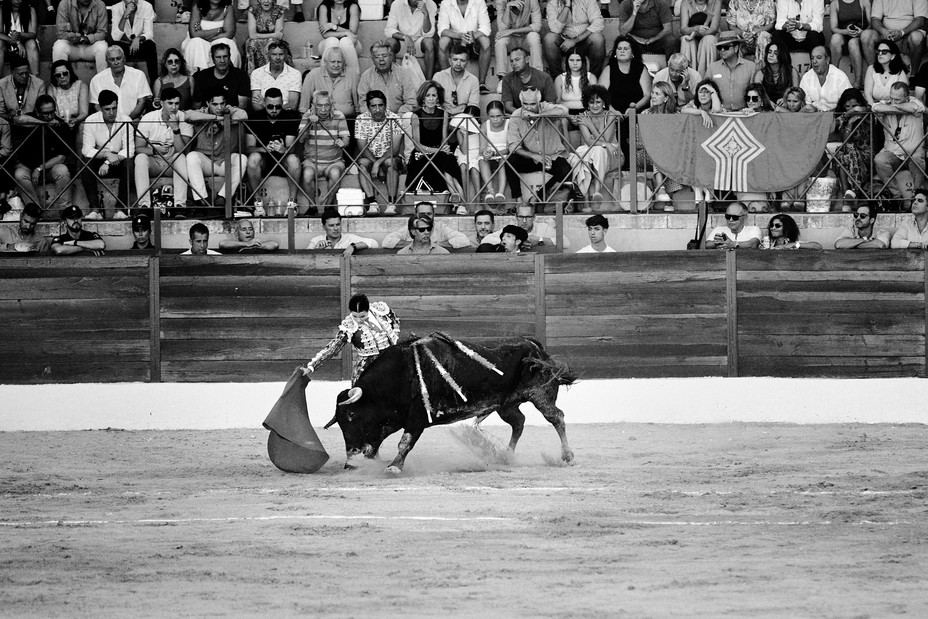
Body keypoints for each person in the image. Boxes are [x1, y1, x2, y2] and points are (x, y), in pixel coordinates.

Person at [301, 292, 400, 383]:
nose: (358, 320)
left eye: (362, 316)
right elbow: (332, 348)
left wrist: (395, 336)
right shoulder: (349, 326)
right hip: (367, 367)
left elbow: (394, 319)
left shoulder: (379, 310)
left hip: (390, 359)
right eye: (355, 316)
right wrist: (311, 367)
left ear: (368, 309)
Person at [505, 88, 575, 207]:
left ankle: (537, 197)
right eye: (525, 104)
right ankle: (519, 201)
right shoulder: (516, 115)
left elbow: (564, 110)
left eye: (532, 104)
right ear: (521, 103)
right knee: (510, 161)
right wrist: (534, 156)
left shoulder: (546, 107)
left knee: (566, 170)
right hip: (531, 157)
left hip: (552, 156)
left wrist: (538, 115)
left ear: (538, 102)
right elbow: (513, 146)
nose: (529, 107)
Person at [185, 90, 248, 211]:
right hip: (207, 162)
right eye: (215, 104)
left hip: (225, 162)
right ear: (208, 103)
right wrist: (216, 119)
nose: (219, 107)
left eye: (222, 103)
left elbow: (244, 115)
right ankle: (201, 199)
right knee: (192, 156)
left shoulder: (231, 110)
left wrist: (221, 123)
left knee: (242, 159)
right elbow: (188, 115)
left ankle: (223, 197)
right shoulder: (202, 112)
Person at [135, 86, 192, 217]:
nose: (174, 107)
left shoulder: (184, 118)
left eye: (177, 103)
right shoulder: (149, 118)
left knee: (181, 157)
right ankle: (144, 206)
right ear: (161, 103)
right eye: (170, 103)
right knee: (140, 158)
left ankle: (180, 206)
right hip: (155, 161)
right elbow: (138, 148)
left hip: (173, 161)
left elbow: (183, 150)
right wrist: (155, 151)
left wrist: (176, 129)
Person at [13, 95, 73, 218]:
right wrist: (44, 123)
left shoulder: (60, 125)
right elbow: (18, 120)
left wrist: (39, 168)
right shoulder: (31, 119)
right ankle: (35, 211)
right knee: (19, 174)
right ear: (37, 112)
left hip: (49, 168)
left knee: (63, 170)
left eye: (52, 112)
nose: (50, 116)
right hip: (28, 167)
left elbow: (61, 157)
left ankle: (65, 212)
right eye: (46, 113)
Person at [81, 89, 135, 220]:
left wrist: (109, 161)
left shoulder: (125, 120)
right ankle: (95, 210)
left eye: (114, 108)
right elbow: (87, 150)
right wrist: (106, 155)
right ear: (100, 108)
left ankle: (120, 209)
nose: (112, 113)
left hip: (118, 159)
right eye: (107, 109)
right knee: (86, 163)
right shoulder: (91, 120)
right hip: (100, 157)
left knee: (129, 164)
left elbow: (130, 149)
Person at [406, 81, 465, 199]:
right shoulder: (415, 116)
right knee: (444, 161)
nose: (431, 99)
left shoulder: (444, 114)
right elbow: (417, 145)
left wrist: (445, 147)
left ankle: (458, 197)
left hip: (439, 151)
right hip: (422, 154)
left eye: (434, 95)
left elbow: (444, 140)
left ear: (438, 97)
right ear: (422, 98)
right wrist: (437, 151)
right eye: (428, 96)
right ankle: (457, 197)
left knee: (449, 162)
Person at [244, 87, 300, 212]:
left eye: (278, 107)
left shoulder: (289, 117)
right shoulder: (255, 117)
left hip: (283, 160)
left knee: (293, 160)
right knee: (253, 158)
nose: (274, 110)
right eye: (270, 106)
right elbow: (248, 148)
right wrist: (264, 149)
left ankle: (292, 203)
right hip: (264, 160)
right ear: (264, 103)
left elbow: (292, 148)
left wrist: (283, 149)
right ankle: (257, 202)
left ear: (282, 104)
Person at [873, 81, 926, 202]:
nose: (893, 101)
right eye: (891, 98)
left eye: (897, 99)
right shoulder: (887, 103)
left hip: (913, 153)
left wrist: (891, 108)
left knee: (917, 158)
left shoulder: (915, 102)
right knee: (879, 159)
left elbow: (914, 107)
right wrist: (897, 107)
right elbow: (875, 107)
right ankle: (896, 196)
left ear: (907, 98)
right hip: (893, 154)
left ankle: (917, 196)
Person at [299, 90, 350, 213]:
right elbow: (301, 139)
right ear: (313, 106)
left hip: (334, 161)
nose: (323, 109)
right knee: (307, 175)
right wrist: (309, 124)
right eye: (319, 105)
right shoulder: (307, 115)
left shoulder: (339, 115)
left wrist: (342, 142)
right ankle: (312, 207)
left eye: (326, 105)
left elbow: (346, 139)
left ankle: (328, 207)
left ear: (331, 105)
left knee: (335, 174)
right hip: (312, 161)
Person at [571, 85, 623, 205]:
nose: (595, 105)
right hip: (592, 153)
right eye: (591, 102)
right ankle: (585, 193)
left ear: (604, 102)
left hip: (613, 154)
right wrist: (605, 144)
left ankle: (596, 190)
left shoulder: (610, 116)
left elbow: (605, 138)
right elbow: (589, 141)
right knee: (582, 151)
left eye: (598, 102)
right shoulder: (583, 116)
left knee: (598, 150)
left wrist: (590, 125)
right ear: (587, 103)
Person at [355, 89, 403, 214]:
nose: (377, 109)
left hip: (390, 156)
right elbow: (362, 148)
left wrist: (378, 163)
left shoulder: (394, 118)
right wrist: (375, 162)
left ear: (385, 105)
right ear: (368, 107)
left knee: (390, 163)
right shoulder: (361, 119)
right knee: (362, 164)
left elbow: (395, 148)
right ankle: (372, 203)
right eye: (373, 106)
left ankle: (391, 204)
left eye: (380, 105)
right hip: (369, 156)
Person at [634, 82, 679, 205]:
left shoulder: (675, 116)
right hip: (644, 154)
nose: (653, 96)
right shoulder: (645, 114)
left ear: (666, 98)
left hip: (668, 155)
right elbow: (639, 142)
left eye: (657, 94)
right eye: (652, 93)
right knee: (658, 150)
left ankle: (666, 199)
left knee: (665, 153)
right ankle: (660, 189)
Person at [437, 0, 493, 93]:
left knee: (486, 41)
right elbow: (442, 30)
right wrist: (459, 36)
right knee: (443, 42)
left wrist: (472, 36)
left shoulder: (479, 2)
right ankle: (447, 82)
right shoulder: (445, 2)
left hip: (474, 40)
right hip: (455, 40)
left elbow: (486, 28)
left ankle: (482, 83)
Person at [830, 87, 873, 202]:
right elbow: (845, 140)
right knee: (842, 155)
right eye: (847, 106)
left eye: (853, 106)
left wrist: (850, 113)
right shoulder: (843, 119)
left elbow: (860, 109)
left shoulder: (866, 113)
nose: (850, 109)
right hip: (850, 155)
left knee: (848, 151)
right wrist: (849, 123)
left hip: (867, 154)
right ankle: (848, 193)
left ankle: (853, 190)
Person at [862, 0, 925, 76]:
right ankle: (875, 73)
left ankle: (914, 75)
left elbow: (920, 20)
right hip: (886, 35)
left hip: (907, 36)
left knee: (917, 37)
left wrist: (902, 32)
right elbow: (875, 19)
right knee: (866, 35)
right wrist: (883, 31)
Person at [545, 0, 607, 77]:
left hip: (585, 41)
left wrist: (575, 40)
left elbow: (598, 23)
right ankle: (557, 79)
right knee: (549, 38)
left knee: (597, 38)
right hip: (564, 42)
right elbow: (555, 29)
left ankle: (594, 78)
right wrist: (567, 6)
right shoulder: (553, 3)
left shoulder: (588, 1)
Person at [89, 45, 152, 120]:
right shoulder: (97, 80)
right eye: (112, 59)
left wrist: (128, 120)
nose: (116, 62)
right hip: (107, 123)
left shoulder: (138, 75)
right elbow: (97, 105)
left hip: (133, 120)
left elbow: (142, 101)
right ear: (107, 61)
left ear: (124, 58)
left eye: (118, 58)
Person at [357, 41, 418, 114]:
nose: (381, 59)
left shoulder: (403, 73)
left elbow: (411, 101)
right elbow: (362, 103)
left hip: (399, 117)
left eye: (384, 55)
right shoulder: (366, 76)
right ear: (372, 59)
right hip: (375, 118)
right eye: (377, 57)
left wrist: (398, 116)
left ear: (391, 56)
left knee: (410, 116)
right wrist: (375, 116)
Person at [299, 46, 359, 119]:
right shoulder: (312, 75)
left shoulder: (352, 75)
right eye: (333, 62)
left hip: (347, 120)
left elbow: (358, 106)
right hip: (319, 122)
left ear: (344, 62)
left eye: (339, 62)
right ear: (325, 61)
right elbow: (303, 108)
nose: (336, 65)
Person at [382, 200, 471, 247]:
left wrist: (435, 245)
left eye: (429, 214)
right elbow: (387, 242)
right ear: (416, 215)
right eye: (422, 214)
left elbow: (464, 240)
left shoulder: (441, 227)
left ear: (434, 215)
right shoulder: (410, 227)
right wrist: (416, 245)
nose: (426, 217)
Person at [385, 0, 438, 79]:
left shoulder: (430, 4)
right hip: (402, 41)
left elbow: (428, 34)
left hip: (419, 41)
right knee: (390, 42)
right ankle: (392, 80)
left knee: (429, 42)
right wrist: (405, 37)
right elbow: (389, 30)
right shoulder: (397, 3)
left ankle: (428, 82)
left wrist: (426, 14)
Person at [494, 0, 543, 84]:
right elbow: (502, 29)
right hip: (511, 40)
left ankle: (537, 76)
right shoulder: (501, 1)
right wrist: (508, 8)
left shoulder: (532, 1)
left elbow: (537, 26)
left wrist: (513, 31)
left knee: (534, 36)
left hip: (525, 38)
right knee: (500, 41)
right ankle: (502, 79)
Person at [705, 31, 756, 112]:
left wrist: (751, 109)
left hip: (744, 114)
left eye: (726, 47)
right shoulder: (712, 67)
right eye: (719, 47)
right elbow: (705, 91)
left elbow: (756, 93)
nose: (722, 50)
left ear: (736, 48)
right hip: (719, 114)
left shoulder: (751, 67)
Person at [52, 0, 109, 73]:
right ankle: (61, 80)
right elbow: (60, 33)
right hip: (72, 46)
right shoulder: (65, 3)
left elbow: (103, 33)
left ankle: (103, 81)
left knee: (102, 47)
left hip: (91, 46)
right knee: (59, 46)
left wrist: (85, 38)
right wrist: (74, 36)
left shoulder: (100, 4)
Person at [183, 0, 239, 72]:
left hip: (219, 39)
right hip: (201, 41)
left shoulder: (228, 8)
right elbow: (193, 34)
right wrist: (219, 30)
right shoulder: (198, 7)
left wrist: (203, 34)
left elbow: (229, 34)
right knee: (196, 42)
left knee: (227, 42)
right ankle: (198, 76)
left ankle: (228, 77)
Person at [192, 43, 250, 110]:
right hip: (208, 117)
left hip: (234, 116)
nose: (222, 61)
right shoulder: (203, 76)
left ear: (229, 57)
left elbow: (242, 106)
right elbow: (196, 106)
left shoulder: (241, 75)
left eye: (225, 56)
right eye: (218, 57)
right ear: (213, 59)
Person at [110, 0, 157, 81]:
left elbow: (149, 33)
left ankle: (154, 81)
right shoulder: (116, 8)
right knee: (114, 47)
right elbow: (115, 37)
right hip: (124, 47)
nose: (132, 0)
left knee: (150, 45)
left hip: (140, 45)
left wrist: (138, 39)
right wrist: (125, 15)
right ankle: (117, 80)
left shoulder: (146, 6)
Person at [500, 46, 557, 113]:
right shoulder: (507, 79)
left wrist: (536, 116)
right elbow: (508, 107)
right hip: (518, 117)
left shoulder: (544, 77)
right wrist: (525, 115)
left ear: (527, 59)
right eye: (511, 61)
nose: (514, 63)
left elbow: (551, 104)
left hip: (541, 116)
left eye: (517, 59)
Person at [250, 41, 301, 112]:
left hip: (286, 117)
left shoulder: (295, 74)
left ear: (286, 56)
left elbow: (292, 105)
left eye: (281, 54)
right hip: (262, 117)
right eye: (274, 54)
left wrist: (266, 105)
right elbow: (255, 104)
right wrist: (276, 108)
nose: (277, 57)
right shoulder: (257, 73)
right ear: (268, 56)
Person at [830, 0, 870, 90]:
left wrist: (861, 32)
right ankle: (832, 78)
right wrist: (846, 31)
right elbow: (833, 28)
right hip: (843, 34)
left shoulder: (864, 1)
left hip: (860, 36)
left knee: (853, 43)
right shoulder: (835, 3)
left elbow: (871, 24)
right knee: (835, 39)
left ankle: (858, 82)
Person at [799, 45, 853, 111]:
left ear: (827, 60)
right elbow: (804, 103)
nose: (814, 61)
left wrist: (828, 114)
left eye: (819, 58)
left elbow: (847, 102)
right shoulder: (807, 77)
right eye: (812, 58)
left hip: (835, 116)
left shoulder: (840, 77)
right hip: (813, 116)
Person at [433, 44, 480, 116]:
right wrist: (462, 106)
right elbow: (435, 102)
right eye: (455, 60)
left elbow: (473, 105)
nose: (458, 64)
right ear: (449, 60)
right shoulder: (439, 77)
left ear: (467, 62)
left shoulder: (473, 80)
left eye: (462, 60)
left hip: (463, 117)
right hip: (442, 116)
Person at [317, 0, 362, 75]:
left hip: (352, 45)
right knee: (332, 41)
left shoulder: (353, 7)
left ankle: (354, 77)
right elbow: (325, 34)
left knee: (345, 41)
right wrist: (345, 32)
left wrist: (333, 26)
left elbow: (353, 33)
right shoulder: (324, 7)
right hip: (328, 44)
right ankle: (324, 77)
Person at [478, 100, 509, 204]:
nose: (495, 119)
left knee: (503, 160)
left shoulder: (509, 124)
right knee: (482, 160)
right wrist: (486, 153)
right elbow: (482, 147)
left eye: (498, 116)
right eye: (492, 116)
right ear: (488, 116)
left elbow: (512, 147)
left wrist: (497, 153)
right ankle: (490, 191)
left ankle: (500, 193)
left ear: (503, 114)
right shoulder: (485, 126)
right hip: (491, 153)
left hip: (504, 153)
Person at [307, 208, 378, 255]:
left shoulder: (349, 238)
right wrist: (317, 250)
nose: (336, 228)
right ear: (324, 227)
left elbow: (374, 243)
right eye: (331, 226)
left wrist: (352, 246)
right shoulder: (316, 241)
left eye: (338, 224)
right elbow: (306, 259)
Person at [679, 0, 721, 75]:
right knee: (686, 40)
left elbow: (714, 28)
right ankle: (689, 78)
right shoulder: (686, 3)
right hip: (691, 34)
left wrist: (696, 33)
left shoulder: (716, 2)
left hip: (709, 34)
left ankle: (707, 77)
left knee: (709, 39)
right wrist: (695, 29)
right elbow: (683, 29)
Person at [244, 0, 286, 74]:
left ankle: (271, 73)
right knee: (252, 44)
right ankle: (253, 75)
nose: (266, 1)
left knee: (272, 43)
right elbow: (252, 35)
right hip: (255, 40)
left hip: (272, 40)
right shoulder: (252, 10)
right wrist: (273, 35)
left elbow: (278, 36)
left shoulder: (280, 10)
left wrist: (274, 36)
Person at [45, 60, 89, 131]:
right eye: (58, 75)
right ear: (54, 77)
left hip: (77, 121)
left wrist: (75, 120)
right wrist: (64, 122)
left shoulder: (81, 86)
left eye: (65, 73)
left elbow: (84, 112)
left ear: (70, 73)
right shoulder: (52, 88)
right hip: (59, 122)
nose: (62, 77)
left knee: (83, 126)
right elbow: (54, 112)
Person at [0, 56, 45, 123]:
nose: (24, 76)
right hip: (9, 124)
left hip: (34, 124)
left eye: (26, 73)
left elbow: (42, 110)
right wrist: (11, 117)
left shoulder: (39, 84)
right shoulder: (2, 84)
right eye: (20, 74)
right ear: (12, 72)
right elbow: (0, 112)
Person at [0, 0, 39, 75]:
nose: (18, 1)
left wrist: (20, 35)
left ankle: (36, 80)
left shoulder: (30, 10)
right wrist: (17, 42)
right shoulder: (1, 9)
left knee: (32, 43)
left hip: (25, 44)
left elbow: (33, 34)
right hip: (7, 44)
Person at [864, 39, 909, 104]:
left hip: (895, 108)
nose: (880, 54)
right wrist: (873, 107)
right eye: (878, 51)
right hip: (874, 109)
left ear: (893, 56)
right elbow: (867, 94)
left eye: (884, 52)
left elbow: (902, 97)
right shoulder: (871, 69)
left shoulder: (900, 72)